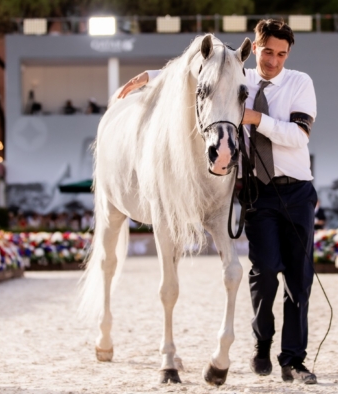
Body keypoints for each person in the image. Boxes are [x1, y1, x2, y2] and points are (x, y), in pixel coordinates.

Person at [118, 19, 318, 384]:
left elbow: (299, 134)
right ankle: (262, 347)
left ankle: (294, 360)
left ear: (288, 55)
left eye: (281, 54)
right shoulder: (237, 77)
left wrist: (253, 117)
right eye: (268, 51)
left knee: (299, 279)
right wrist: (148, 76)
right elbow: (193, 74)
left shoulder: (299, 83)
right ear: (253, 49)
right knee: (264, 274)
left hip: (296, 191)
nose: (273, 59)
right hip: (257, 192)